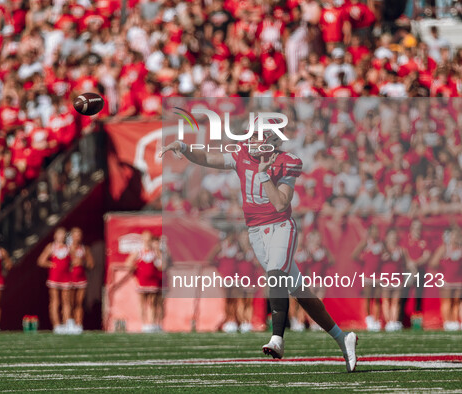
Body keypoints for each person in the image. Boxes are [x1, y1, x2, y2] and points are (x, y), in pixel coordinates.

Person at [160, 121, 358, 372]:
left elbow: (280, 204)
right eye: (251, 136)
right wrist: (184, 147)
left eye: (257, 137)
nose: (250, 141)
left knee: (275, 274)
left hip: (280, 227)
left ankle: (277, 339)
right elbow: (209, 158)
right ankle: (343, 338)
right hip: (255, 232)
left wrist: (265, 174)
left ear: (271, 141)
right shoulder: (241, 154)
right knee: (301, 293)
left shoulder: (287, 161)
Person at [119, 230, 163, 333]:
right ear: (142, 240)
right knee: (142, 302)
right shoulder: (138, 251)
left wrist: (157, 251)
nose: (147, 242)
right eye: (145, 239)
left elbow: (162, 265)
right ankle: (144, 324)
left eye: (149, 239)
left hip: (153, 281)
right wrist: (135, 268)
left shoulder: (155, 252)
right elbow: (128, 263)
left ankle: (152, 323)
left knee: (152, 302)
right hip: (142, 280)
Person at [38, 227, 72, 334]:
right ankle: (56, 325)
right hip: (54, 278)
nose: (61, 236)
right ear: (55, 236)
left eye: (63, 234)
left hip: (66, 278)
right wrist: (51, 264)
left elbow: (74, 260)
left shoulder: (68, 247)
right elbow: (41, 261)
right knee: (55, 301)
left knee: (66, 301)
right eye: (59, 234)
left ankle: (66, 323)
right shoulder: (51, 247)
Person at [352, 224, 383, 331]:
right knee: (368, 298)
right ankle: (369, 319)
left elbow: (384, 257)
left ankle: (376, 319)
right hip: (368, 275)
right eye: (374, 231)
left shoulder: (381, 244)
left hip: (378, 276)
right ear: (370, 232)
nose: (376, 233)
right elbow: (354, 255)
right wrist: (364, 261)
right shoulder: (366, 243)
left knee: (378, 298)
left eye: (377, 231)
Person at [430, 226, 462, 331]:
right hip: (446, 280)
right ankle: (447, 322)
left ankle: (454, 321)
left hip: (458, 280)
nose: (457, 237)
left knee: (456, 301)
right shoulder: (444, 248)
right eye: (454, 235)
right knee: (447, 302)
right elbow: (433, 263)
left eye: (458, 235)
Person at [67, 227, 94, 334]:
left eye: (80, 234)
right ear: (72, 236)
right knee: (70, 302)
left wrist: (82, 262)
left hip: (81, 279)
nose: (78, 237)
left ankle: (78, 324)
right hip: (69, 279)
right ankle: (69, 323)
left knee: (79, 302)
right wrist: (70, 264)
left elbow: (91, 264)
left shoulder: (84, 249)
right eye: (76, 234)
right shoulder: (67, 248)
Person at [379, 228, 406, 332]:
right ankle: (388, 322)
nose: (393, 239)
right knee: (386, 301)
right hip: (385, 278)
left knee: (396, 302)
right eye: (391, 237)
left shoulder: (401, 250)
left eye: (395, 237)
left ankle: (394, 322)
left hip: (397, 279)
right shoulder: (383, 250)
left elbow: (406, 263)